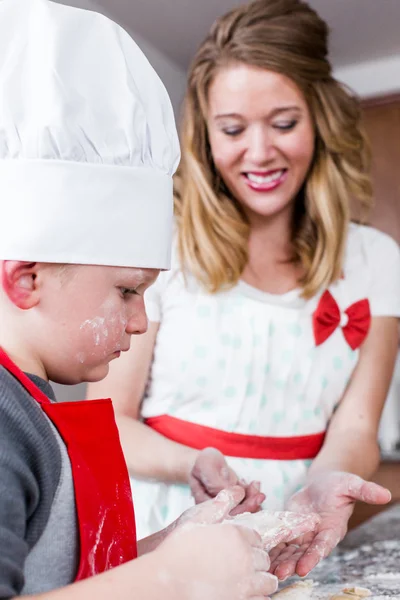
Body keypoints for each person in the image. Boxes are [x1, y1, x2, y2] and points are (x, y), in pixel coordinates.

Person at [0, 0, 317, 597]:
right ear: (27, 278)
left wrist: (169, 547)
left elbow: (61, 576)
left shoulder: (32, 407)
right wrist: (175, 580)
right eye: (126, 291)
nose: (142, 321)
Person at [87, 0, 400, 582]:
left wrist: (324, 484)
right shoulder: (164, 249)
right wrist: (195, 464)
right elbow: (108, 422)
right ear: (207, 137)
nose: (258, 153)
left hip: (296, 527)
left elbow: (357, 427)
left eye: (283, 123)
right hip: (165, 525)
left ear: (319, 121)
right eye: (233, 129)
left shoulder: (376, 260)